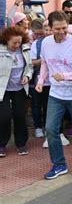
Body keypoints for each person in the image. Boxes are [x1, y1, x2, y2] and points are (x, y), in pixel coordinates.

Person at [36, 11, 72, 179]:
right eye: (57, 29)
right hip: (56, 93)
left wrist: (65, 76)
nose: (61, 32)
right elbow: (45, 64)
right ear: (50, 27)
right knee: (51, 129)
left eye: (64, 28)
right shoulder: (46, 43)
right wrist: (40, 81)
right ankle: (59, 164)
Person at [0, 28, 33, 157]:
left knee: (20, 115)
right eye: (14, 43)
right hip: (3, 89)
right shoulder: (1, 50)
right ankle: (2, 144)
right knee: (4, 116)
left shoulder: (25, 49)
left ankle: (21, 143)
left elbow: (29, 67)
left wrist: (27, 76)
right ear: (6, 41)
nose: (17, 45)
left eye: (19, 42)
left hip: (19, 88)